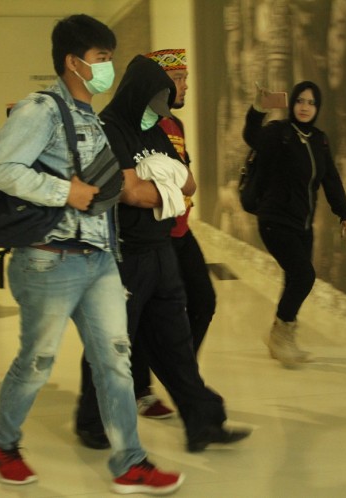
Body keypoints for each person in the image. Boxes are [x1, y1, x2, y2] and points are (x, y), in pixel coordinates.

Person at [0, 15, 183, 495]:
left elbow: (103, 194)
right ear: (73, 62)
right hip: (49, 259)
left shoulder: (91, 115)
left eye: (110, 58)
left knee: (115, 359)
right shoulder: (41, 110)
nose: (107, 68)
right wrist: (61, 191)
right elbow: (0, 168)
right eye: (101, 58)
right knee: (37, 361)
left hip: (97, 261)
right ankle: (1, 443)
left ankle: (130, 461)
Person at [75, 54, 250, 453]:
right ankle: (91, 419)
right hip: (123, 256)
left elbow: (187, 184)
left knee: (176, 343)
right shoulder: (110, 128)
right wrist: (162, 185)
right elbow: (130, 192)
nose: (166, 104)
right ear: (141, 92)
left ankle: (203, 422)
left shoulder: (155, 130)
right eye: (161, 94)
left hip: (161, 249)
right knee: (112, 343)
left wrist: (160, 185)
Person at [119, 48, 217, 420]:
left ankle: (178, 374)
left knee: (203, 301)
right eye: (177, 79)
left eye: (184, 78)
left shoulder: (175, 126)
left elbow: (185, 175)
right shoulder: (138, 124)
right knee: (142, 313)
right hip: (150, 233)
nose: (184, 86)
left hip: (180, 229)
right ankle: (141, 387)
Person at [243, 81, 346, 368]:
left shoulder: (320, 139)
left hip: (303, 225)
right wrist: (258, 107)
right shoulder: (278, 132)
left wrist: (345, 214)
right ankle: (281, 334)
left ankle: (283, 337)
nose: (305, 107)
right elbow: (252, 135)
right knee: (304, 276)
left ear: (317, 108)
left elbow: (330, 180)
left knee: (294, 278)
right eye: (300, 101)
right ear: (292, 103)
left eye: (311, 102)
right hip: (274, 220)